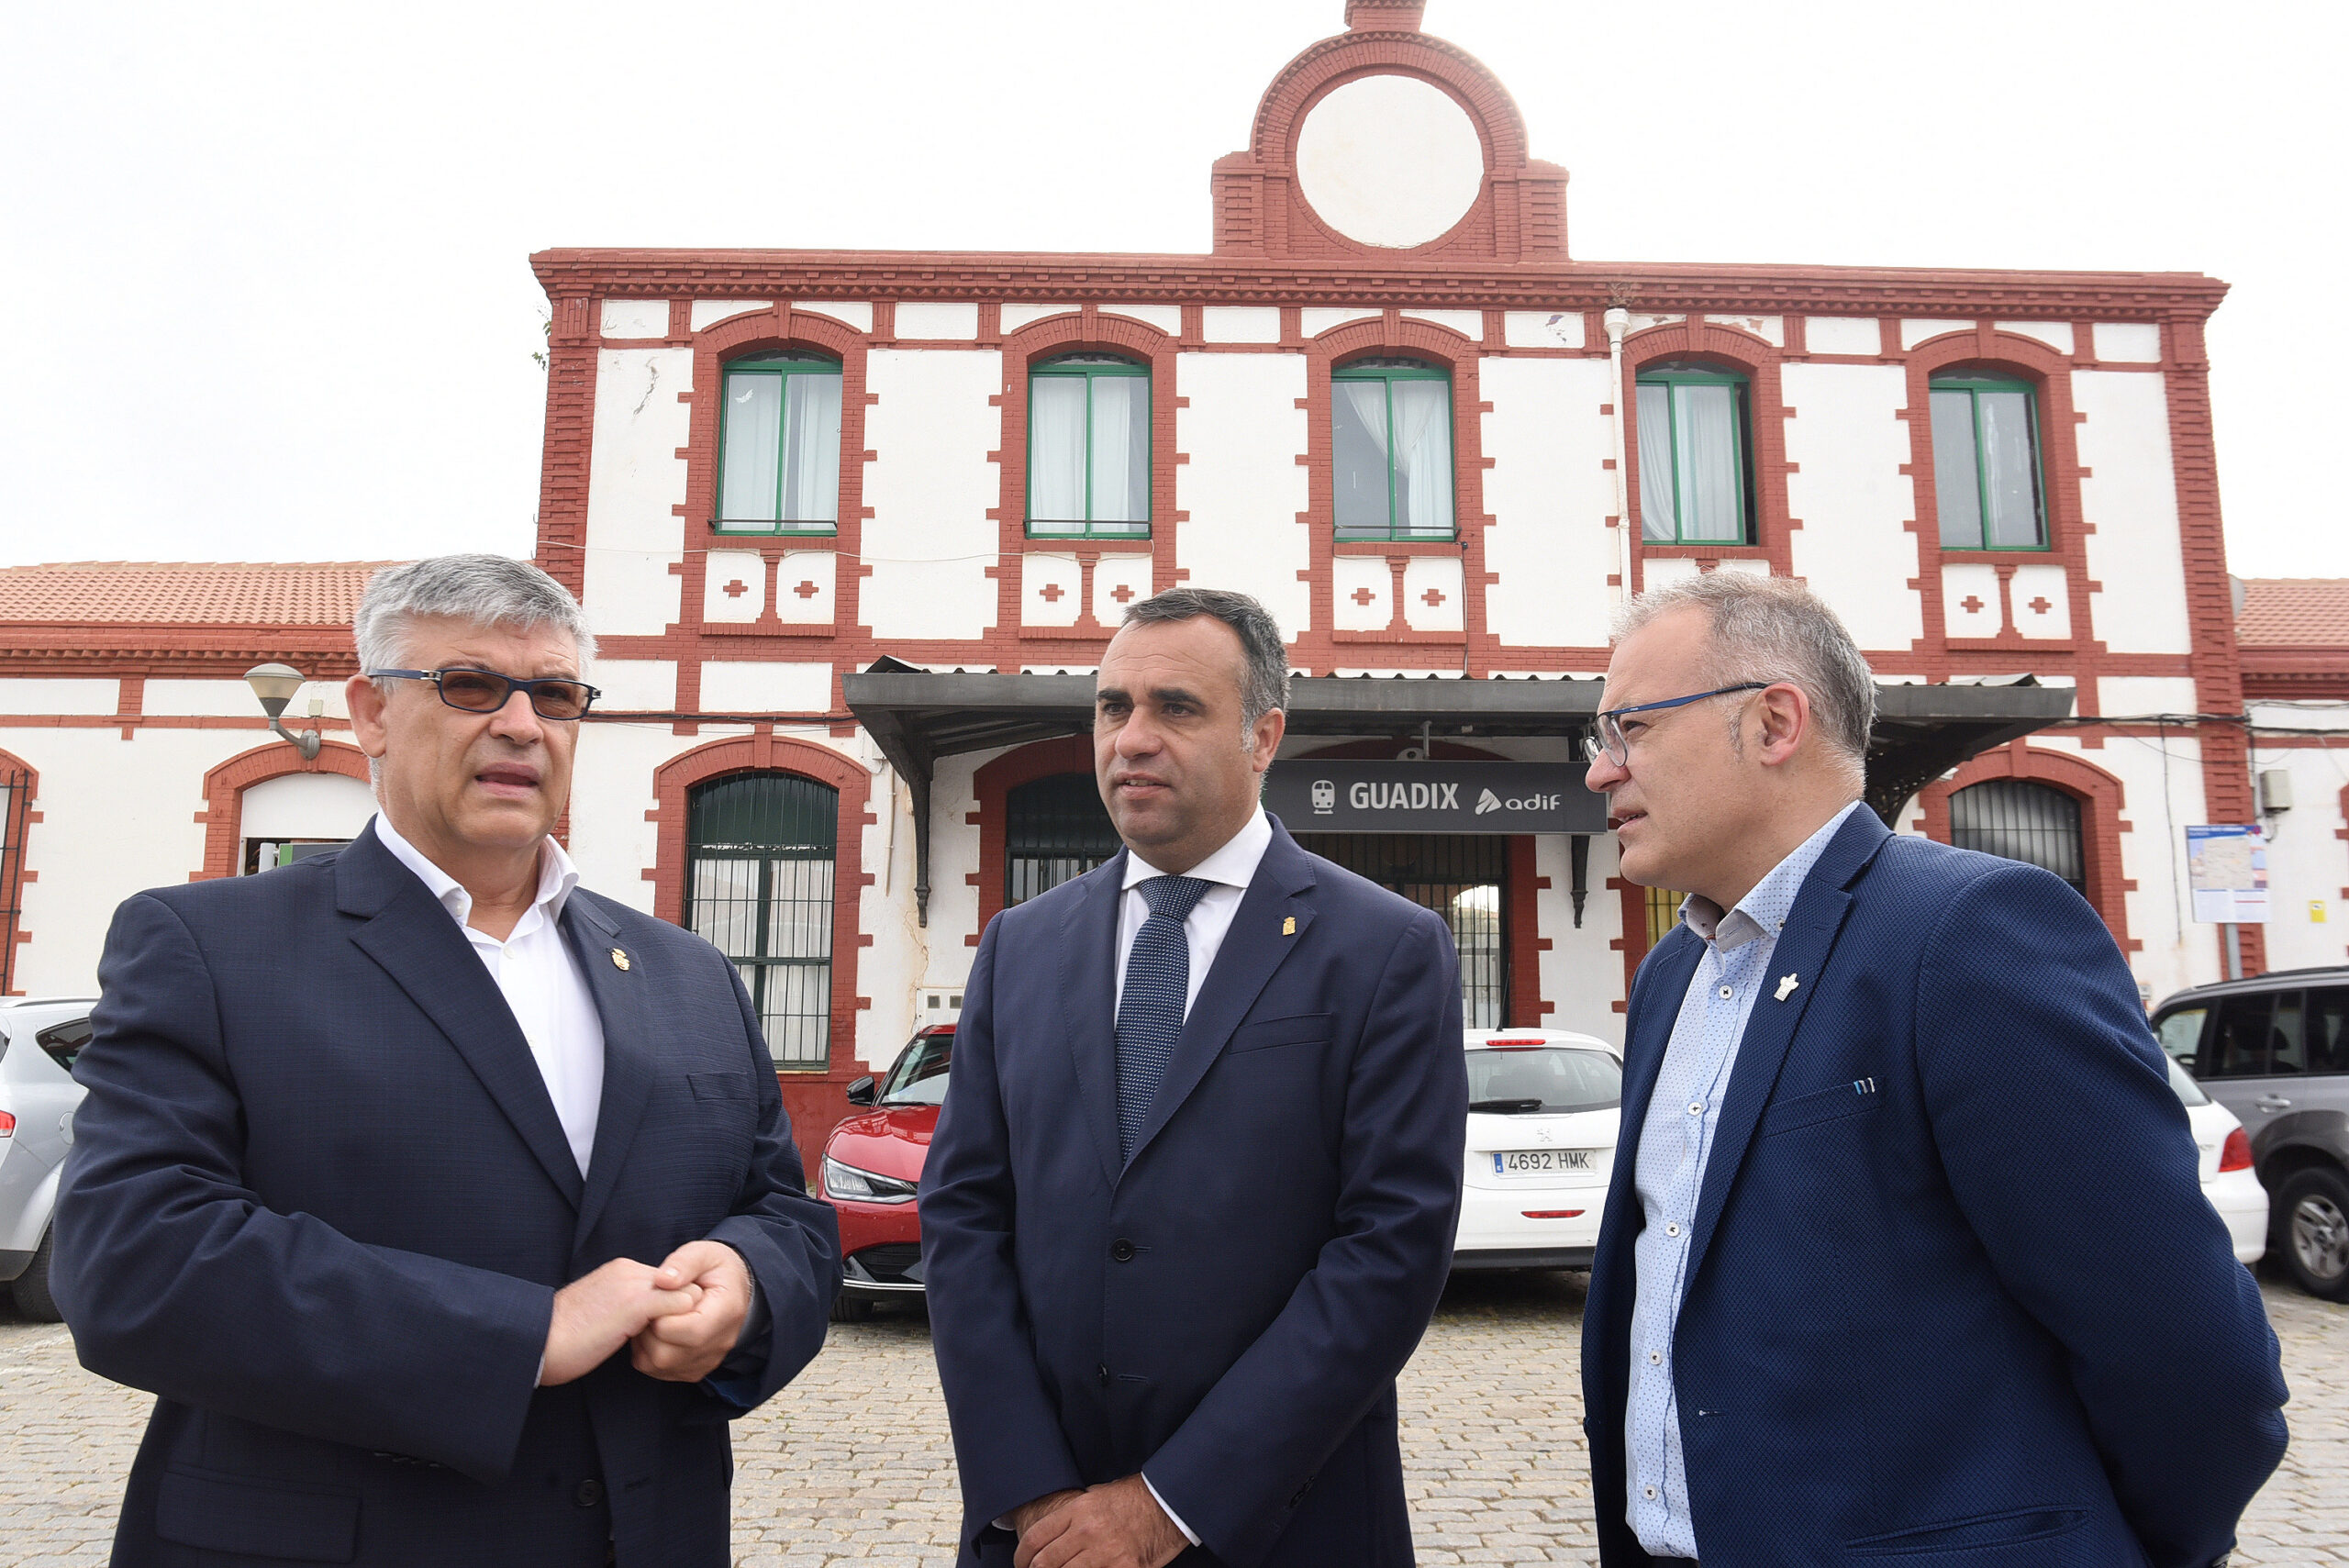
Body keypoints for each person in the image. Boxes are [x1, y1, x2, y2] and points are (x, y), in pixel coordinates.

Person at [53, 554, 841, 1567]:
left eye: (554, 694)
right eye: (469, 685)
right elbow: (130, 1258)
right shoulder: (208, 946)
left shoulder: (688, 971)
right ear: (371, 712)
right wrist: (526, 1333)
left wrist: (748, 1284)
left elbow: (782, 1213)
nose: (521, 724)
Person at [1577, 572, 2289, 1568]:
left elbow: (2187, 1353)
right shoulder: (1670, 976)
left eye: (1630, 728)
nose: (1599, 771)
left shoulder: (1970, 935)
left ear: (1774, 722)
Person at [920, 587, 1468, 1568]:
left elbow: (1389, 1251)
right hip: (1041, 1532)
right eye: (1112, 707)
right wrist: (1029, 1486)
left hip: (1284, 1524)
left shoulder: (1386, 948)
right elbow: (963, 1215)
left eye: (1175, 707)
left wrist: (1167, 1504)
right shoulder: (1019, 944)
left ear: (1263, 736)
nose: (1131, 739)